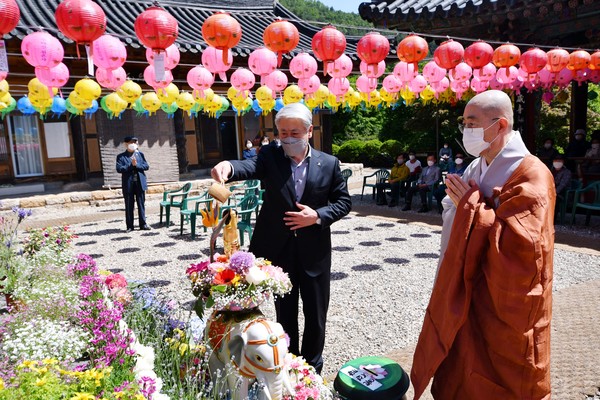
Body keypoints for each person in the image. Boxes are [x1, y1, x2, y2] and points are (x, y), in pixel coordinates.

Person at [411, 90, 554, 399]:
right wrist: (462, 206)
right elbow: (460, 217)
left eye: (472, 122)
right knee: (463, 363)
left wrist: (470, 205)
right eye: (465, 122)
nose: (466, 130)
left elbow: (524, 250)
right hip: (469, 287)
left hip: (505, 300)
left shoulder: (533, 175)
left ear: (500, 125)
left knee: (505, 372)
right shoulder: (477, 167)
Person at [211, 103, 352, 373]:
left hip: (315, 251)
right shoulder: (271, 156)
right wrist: (228, 166)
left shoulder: (329, 163)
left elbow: (344, 202)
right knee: (284, 311)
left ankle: (311, 369)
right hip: (279, 250)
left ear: (309, 131)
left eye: (294, 132)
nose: (288, 138)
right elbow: (249, 165)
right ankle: (287, 362)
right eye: (282, 132)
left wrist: (318, 215)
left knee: (316, 313)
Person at [116, 136, 151, 233]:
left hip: (139, 182)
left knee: (141, 204)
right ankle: (130, 226)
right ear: (126, 144)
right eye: (132, 142)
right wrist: (131, 165)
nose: (134, 144)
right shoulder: (121, 157)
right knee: (129, 205)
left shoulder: (140, 154)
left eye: (135, 142)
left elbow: (146, 166)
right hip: (128, 184)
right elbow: (119, 169)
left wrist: (137, 165)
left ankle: (143, 224)